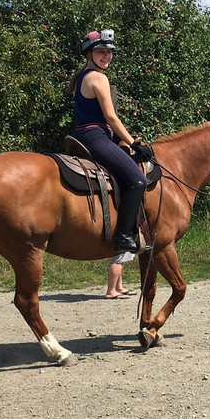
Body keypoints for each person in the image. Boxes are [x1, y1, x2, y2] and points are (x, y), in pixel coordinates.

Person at [69, 29, 152, 258]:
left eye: (109, 52)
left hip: (85, 135)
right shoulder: (98, 77)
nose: (106, 56)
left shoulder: (81, 77)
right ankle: (124, 236)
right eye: (101, 52)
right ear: (89, 54)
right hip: (96, 136)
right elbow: (111, 118)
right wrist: (134, 143)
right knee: (137, 180)